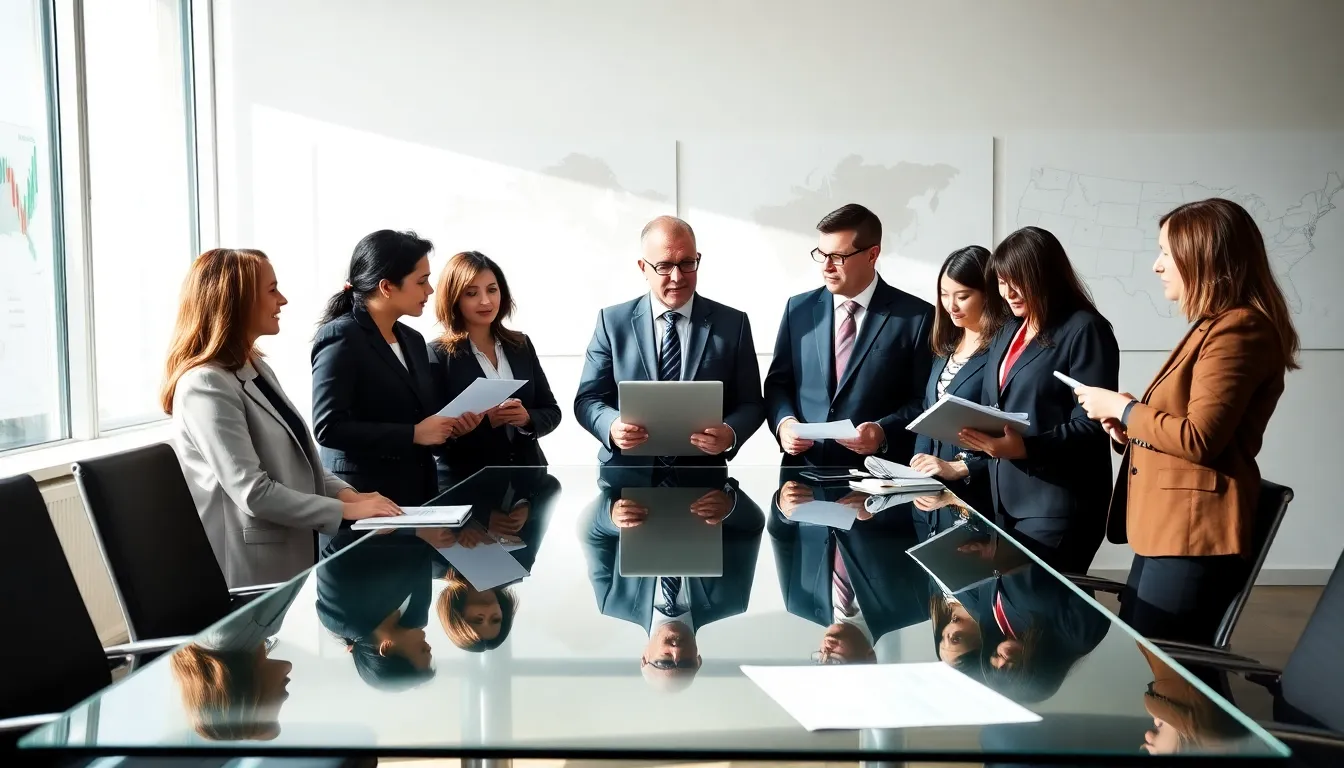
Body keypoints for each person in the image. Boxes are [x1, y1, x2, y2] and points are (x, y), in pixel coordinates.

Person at [1073, 198, 1300, 644]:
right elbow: (1187, 427)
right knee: (1156, 670)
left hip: (1193, 538)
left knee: (1171, 676)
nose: (1157, 266)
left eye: (1165, 252)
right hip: (1169, 531)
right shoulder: (1214, 325)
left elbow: (1200, 438)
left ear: (1204, 256)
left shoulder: (1240, 330)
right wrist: (1128, 426)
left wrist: (1122, 409)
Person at [163, 248, 400, 589]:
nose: (283, 300)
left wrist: (347, 495)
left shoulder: (256, 368)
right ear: (237, 300)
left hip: (290, 553)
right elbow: (253, 492)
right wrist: (345, 512)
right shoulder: (205, 384)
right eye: (272, 290)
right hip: (250, 570)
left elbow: (298, 462)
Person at [958, 226, 1120, 573]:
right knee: (1016, 616)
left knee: (1037, 615)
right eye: (1001, 282)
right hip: (1006, 502)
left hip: (1058, 504)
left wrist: (1025, 448)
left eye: (1018, 280)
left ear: (1045, 276)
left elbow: (1091, 427)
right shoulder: (1008, 330)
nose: (1008, 292)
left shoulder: (1084, 329)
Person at [574, 216, 765, 466]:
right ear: (643, 267)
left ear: (698, 259)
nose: (677, 277)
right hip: (625, 478)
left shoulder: (733, 324)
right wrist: (612, 426)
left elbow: (751, 403)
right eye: (664, 266)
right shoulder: (612, 322)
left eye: (687, 263)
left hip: (704, 481)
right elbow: (587, 399)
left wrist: (730, 433)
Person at [312, 230, 476, 506]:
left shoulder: (412, 339)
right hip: (364, 499)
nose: (430, 290)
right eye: (422, 281)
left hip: (417, 497)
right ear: (387, 287)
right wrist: (414, 433)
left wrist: (449, 429)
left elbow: (419, 418)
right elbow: (328, 427)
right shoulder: (341, 337)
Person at [764, 203, 934, 468]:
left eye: (838, 257)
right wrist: (784, 424)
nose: (827, 267)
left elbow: (923, 400)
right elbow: (778, 384)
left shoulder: (916, 317)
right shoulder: (797, 310)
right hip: (802, 477)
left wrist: (882, 432)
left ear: (872, 255)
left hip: (878, 481)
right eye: (822, 254)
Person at [581, 465, 764, 691]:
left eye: (664, 661)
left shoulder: (612, 601)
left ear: (644, 657)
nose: (675, 651)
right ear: (698, 659)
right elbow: (751, 528)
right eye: (685, 663)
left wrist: (611, 516)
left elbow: (589, 534)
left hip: (632, 468)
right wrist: (730, 507)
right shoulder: (731, 600)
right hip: (699, 464)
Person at [426, 251, 561, 489]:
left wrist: (526, 419)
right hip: (467, 487)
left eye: (492, 289)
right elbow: (431, 441)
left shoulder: (520, 345)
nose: (486, 301)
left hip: (528, 485)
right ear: (454, 298)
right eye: (471, 293)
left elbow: (551, 411)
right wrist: (459, 430)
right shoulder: (436, 354)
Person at [909, 245, 1002, 513]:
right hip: (930, 499)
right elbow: (928, 416)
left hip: (976, 499)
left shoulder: (1000, 352)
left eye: (963, 296)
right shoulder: (945, 347)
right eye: (944, 294)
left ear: (988, 294)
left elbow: (1012, 434)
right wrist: (916, 470)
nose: (951, 305)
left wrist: (960, 468)